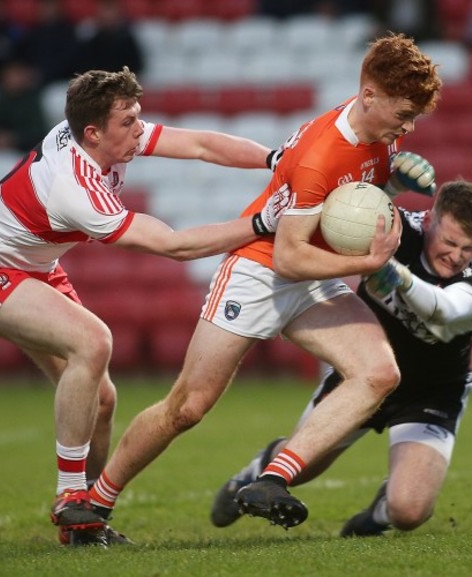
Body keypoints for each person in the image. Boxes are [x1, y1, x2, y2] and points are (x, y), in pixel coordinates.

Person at [86, 33, 442, 543]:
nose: (408, 126)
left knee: (379, 373)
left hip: (311, 271)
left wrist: (394, 185)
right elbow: (288, 256)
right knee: (186, 407)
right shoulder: (323, 154)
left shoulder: (382, 130)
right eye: (404, 113)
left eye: (414, 119)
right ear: (369, 95)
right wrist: (367, 261)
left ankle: (271, 479)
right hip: (261, 271)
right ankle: (94, 504)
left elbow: (352, 205)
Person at [0, 66, 287, 547]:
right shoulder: (74, 186)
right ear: (92, 131)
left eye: (137, 117)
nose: (139, 129)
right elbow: (173, 246)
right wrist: (260, 224)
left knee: (102, 400)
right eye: (128, 121)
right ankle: (71, 496)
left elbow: (201, 145)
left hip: (34, 266)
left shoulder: (104, 136)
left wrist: (274, 158)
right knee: (93, 340)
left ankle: (83, 524)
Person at [210, 180, 472, 538]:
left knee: (408, 511)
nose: (456, 256)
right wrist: (390, 184)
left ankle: (380, 512)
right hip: (362, 375)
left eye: (468, 248)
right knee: (299, 468)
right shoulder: (395, 231)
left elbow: (445, 308)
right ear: (430, 220)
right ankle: (257, 469)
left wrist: (402, 278)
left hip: (432, 394)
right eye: (450, 242)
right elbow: (344, 208)